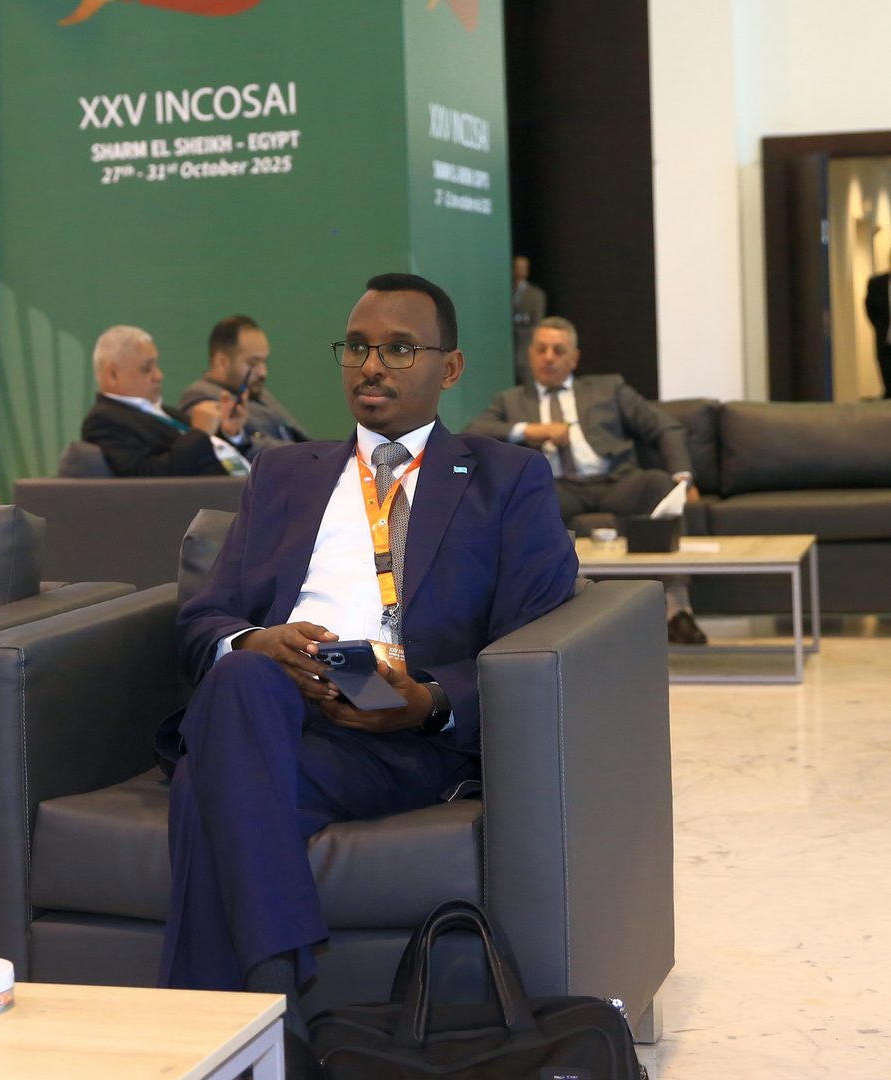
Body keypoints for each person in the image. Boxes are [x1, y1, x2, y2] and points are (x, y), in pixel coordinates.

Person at [160, 274, 577, 1066]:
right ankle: (273, 1012)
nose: (372, 366)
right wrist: (258, 642)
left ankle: (247, 1028)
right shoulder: (284, 474)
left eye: (399, 349)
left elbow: (535, 641)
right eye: (356, 348)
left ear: (450, 368)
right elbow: (201, 622)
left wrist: (428, 700)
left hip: (399, 735)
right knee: (242, 678)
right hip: (275, 705)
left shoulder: (506, 480)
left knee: (204, 783)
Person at [465, 315, 708, 645]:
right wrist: (530, 430)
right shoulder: (511, 401)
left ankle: (678, 611)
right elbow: (473, 433)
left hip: (616, 482)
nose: (549, 357)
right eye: (541, 349)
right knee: (525, 502)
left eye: (558, 350)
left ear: (574, 358)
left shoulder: (608, 389)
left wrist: (683, 478)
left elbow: (665, 426)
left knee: (658, 485)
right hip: (558, 487)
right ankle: (549, 616)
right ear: (530, 354)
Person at [80, 324, 249, 476]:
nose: (159, 375)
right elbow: (150, 477)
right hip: (207, 497)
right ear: (113, 375)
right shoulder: (104, 421)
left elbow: (206, 453)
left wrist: (230, 433)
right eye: (147, 369)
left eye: (157, 366)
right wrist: (199, 433)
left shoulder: (167, 413)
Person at [178, 314, 309, 459]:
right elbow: (244, 447)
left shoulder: (257, 392)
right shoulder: (199, 398)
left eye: (264, 361)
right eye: (253, 363)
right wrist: (308, 455)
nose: (263, 372)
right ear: (222, 362)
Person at [511, 255, 547, 386]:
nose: (520, 270)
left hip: (525, 350)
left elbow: (537, 324)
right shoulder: (505, 291)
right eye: (518, 267)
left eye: (523, 267)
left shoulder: (536, 295)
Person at [865, 270, 890, 398]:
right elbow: (870, 308)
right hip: (885, 335)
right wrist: (880, 328)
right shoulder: (877, 283)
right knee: (886, 365)